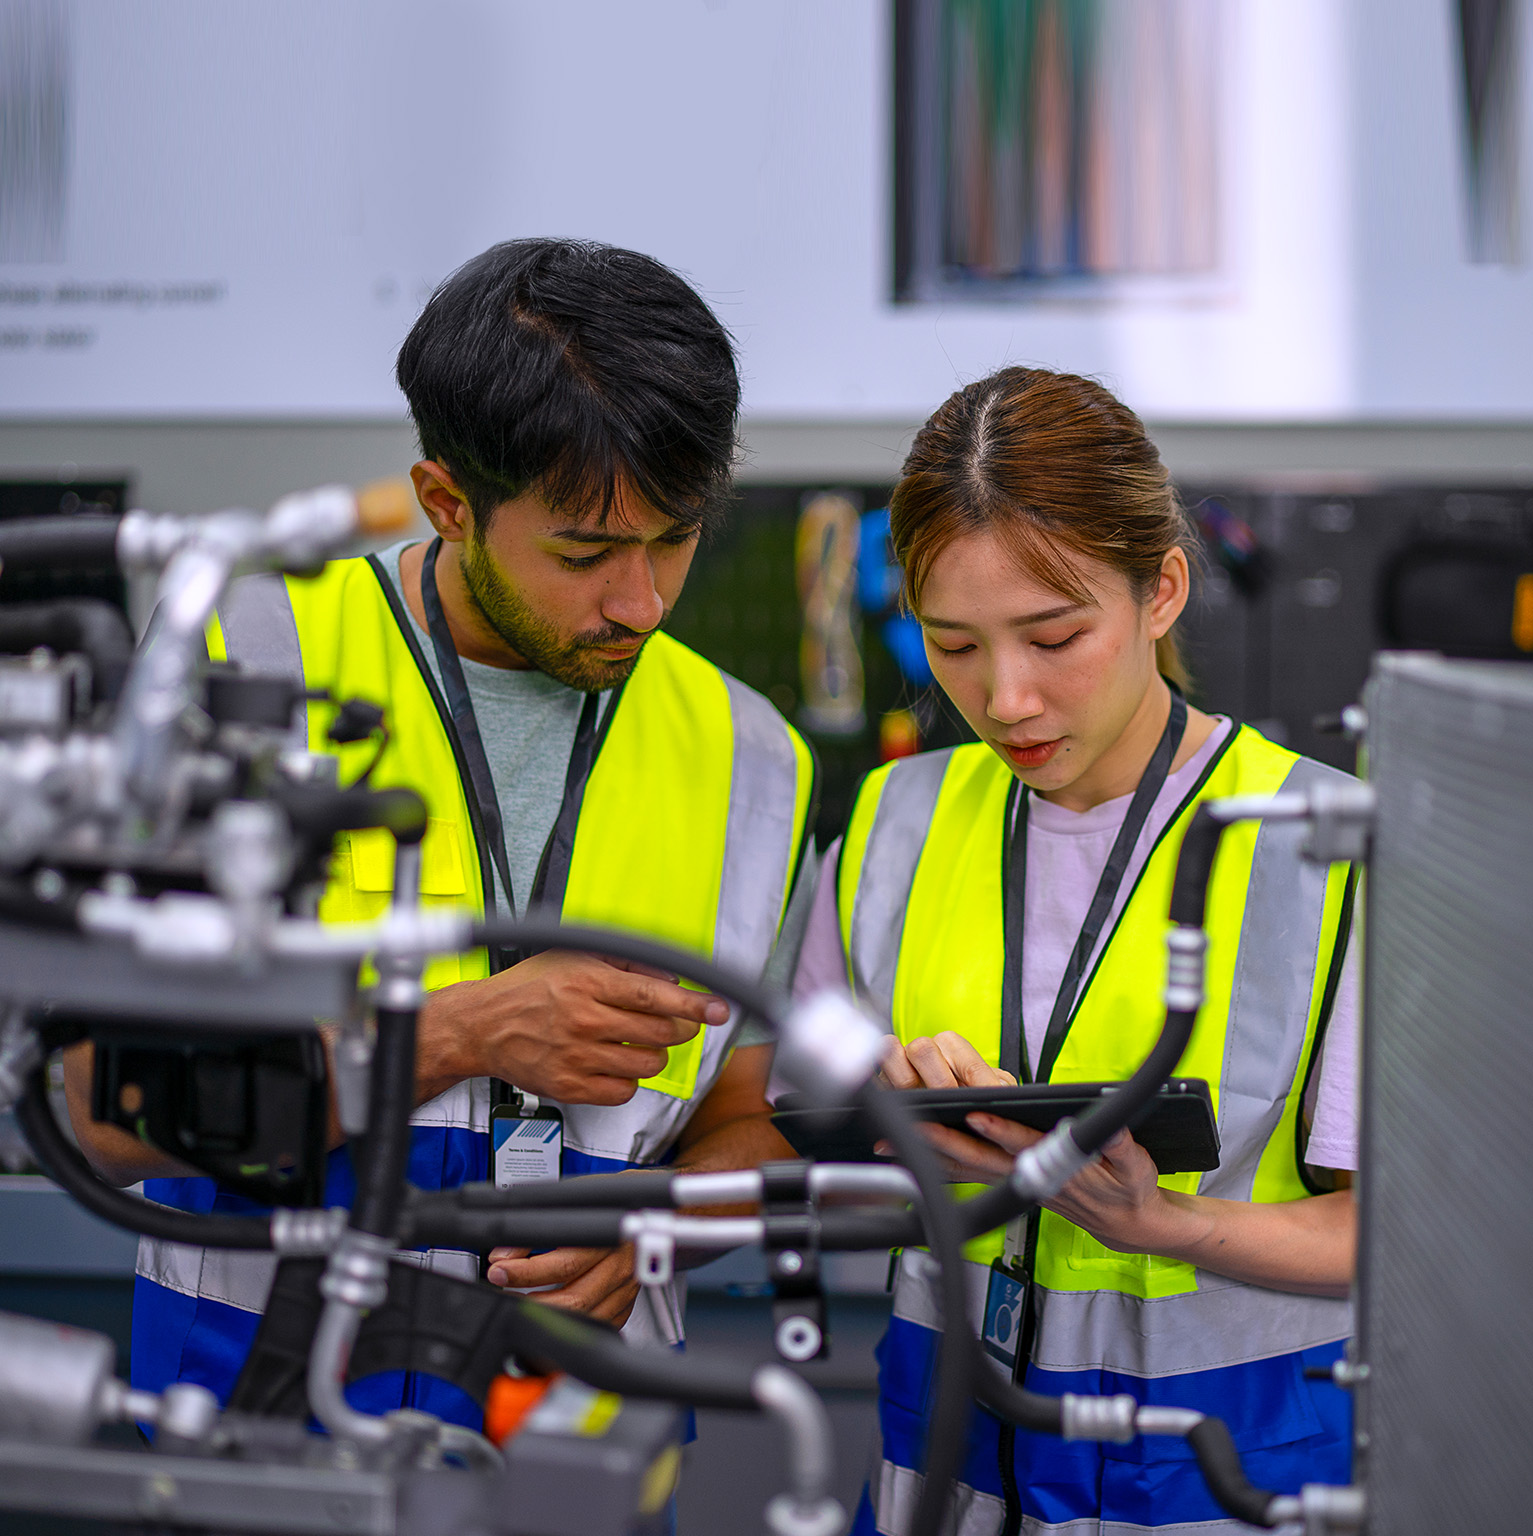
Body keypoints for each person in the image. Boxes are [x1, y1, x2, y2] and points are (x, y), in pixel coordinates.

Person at [64, 239, 815, 1426]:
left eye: (676, 536)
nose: (644, 602)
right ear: (447, 501)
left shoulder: (753, 755)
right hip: (252, 1438)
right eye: (585, 553)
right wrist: (465, 1032)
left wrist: (668, 1228)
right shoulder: (246, 661)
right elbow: (92, 1110)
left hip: (577, 1457)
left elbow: (746, 1120)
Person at [795, 367, 1358, 1534]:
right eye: (951, 645)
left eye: (1055, 638)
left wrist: (1173, 1227)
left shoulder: (1326, 846)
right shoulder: (895, 820)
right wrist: (880, 1094)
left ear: (1161, 590)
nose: (1005, 699)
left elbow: (1398, 1232)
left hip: (1215, 1466)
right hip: (943, 1453)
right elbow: (804, 1056)